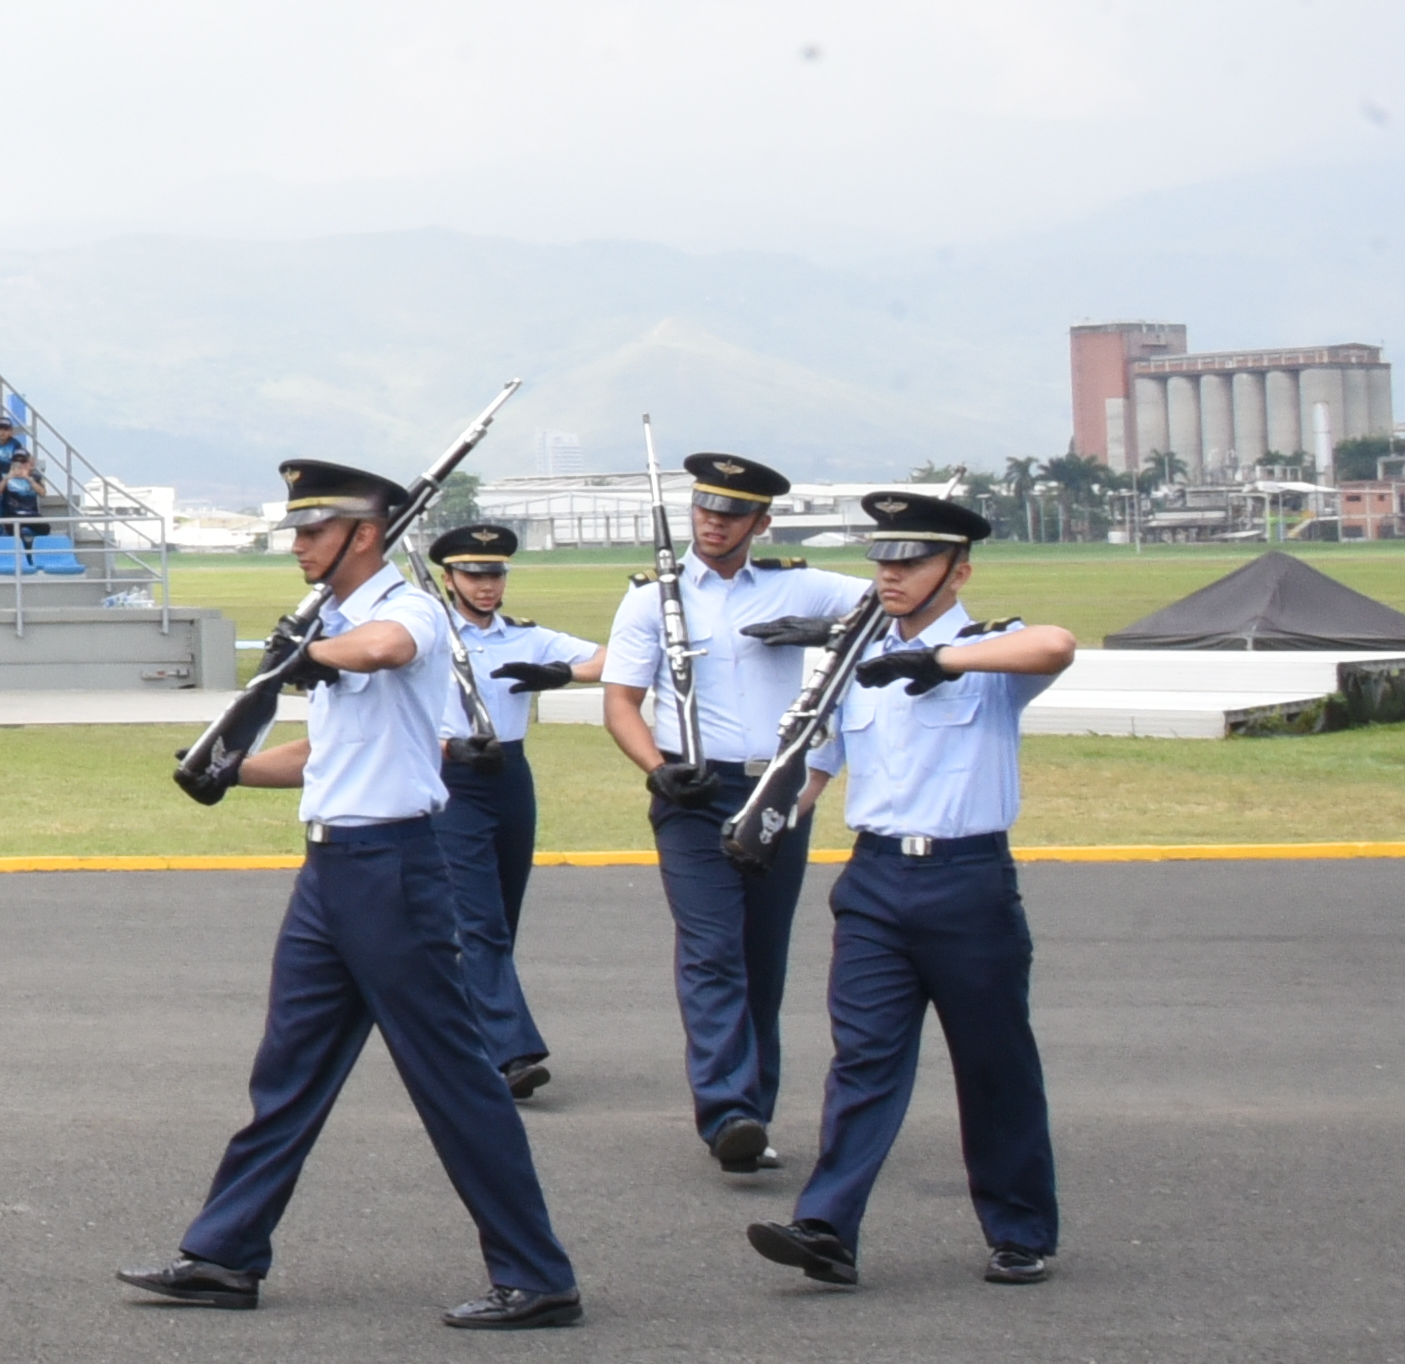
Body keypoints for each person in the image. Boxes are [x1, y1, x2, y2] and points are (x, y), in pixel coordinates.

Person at [119, 460, 583, 1328]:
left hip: (393, 869)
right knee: (287, 1071)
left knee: (452, 1075)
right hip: (329, 872)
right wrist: (228, 769)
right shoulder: (332, 623)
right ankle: (224, 1254)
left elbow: (386, 651)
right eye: (297, 531)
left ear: (365, 535)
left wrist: (308, 655)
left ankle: (537, 1274)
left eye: (314, 531)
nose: (298, 546)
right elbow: (325, 751)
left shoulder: (407, 611)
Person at [751, 492, 1080, 1291]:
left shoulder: (988, 651)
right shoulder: (854, 662)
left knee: (993, 1065)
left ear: (957, 572)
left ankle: (1020, 1231)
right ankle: (827, 1226)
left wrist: (940, 662)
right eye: (883, 561)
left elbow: (1058, 646)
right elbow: (816, 768)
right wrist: (765, 824)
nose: (890, 575)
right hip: (874, 880)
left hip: (967, 881)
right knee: (863, 1060)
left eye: (912, 561)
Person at [599, 453, 865, 1175]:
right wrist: (657, 770)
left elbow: (896, 607)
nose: (715, 524)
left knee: (761, 960)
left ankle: (754, 1114)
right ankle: (728, 1112)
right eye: (706, 509)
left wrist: (825, 634)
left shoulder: (799, 585)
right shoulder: (651, 599)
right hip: (691, 790)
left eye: (732, 514)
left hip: (776, 791)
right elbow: (621, 702)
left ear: (761, 522)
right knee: (712, 949)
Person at [424, 521, 599, 1101]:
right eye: (473, 574)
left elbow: (612, 659)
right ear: (449, 579)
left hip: (509, 775)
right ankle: (511, 1053)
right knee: (480, 922)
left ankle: (463, 1037)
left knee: (502, 915)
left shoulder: (524, 637)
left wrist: (563, 673)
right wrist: (450, 748)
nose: (486, 585)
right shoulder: (428, 635)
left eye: (495, 574)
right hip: (452, 775)